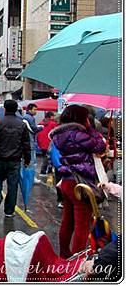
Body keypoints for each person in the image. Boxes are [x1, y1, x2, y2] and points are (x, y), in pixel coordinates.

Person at [50, 105, 107, 258]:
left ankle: (64, 254)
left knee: (68, 221)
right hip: (81, 184)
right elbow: (100, 146)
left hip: (67, 181)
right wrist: (90, 129)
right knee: (82, 225)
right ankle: (78, 260)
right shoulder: (78, 134)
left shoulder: (60, 134)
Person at [0, 99, 31, 218]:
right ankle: (9, 211)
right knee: (12, 186)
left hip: (0, 159)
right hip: (15, 160)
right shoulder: (22, 124)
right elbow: (27, 144)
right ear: (16, 109)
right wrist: (27, 160)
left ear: (4, 109)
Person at [23, 103, 42, 178]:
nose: (36, 111)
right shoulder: (30, 118)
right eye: (34, 110)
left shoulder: (26, 117)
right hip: (30, 142)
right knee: (32, 161)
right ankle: (31, 177)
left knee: (28, 161)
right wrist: (41, 127)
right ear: (29, 110)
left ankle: (28, 176)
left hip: (28, 142)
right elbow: (34, 129)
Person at [37, 111, 58, 177]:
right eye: (53, 116)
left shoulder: (41, 123)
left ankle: (46, 171)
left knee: (45, 158)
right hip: (48, 144)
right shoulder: (52, 123)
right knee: (48, 158)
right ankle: (44, 172)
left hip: (41, 143)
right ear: (51, 116)